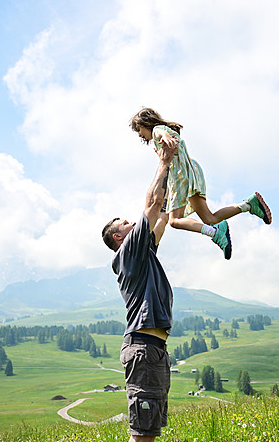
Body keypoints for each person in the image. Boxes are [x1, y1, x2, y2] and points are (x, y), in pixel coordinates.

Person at [101, 138, 177, 441]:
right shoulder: (128, 253)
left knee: (149, 431)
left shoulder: (142, 253)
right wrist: (163, 161)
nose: (133, 222)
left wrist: (175, 177)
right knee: (142, 433)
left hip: (153, 350)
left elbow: (162, 217)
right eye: (126, 223)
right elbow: (152, 206)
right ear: (119, 238)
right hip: (144, 349)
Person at [129, 107, 272, 260]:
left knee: (175, 221)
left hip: (181, 177)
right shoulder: (163, 134)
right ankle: (249, 205)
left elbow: (159, 131)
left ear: (146, 123)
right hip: (192, 171)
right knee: (210, 219)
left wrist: (165, 136)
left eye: (139, 129)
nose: (139, 134)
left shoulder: (158, 130)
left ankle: (214, 233)